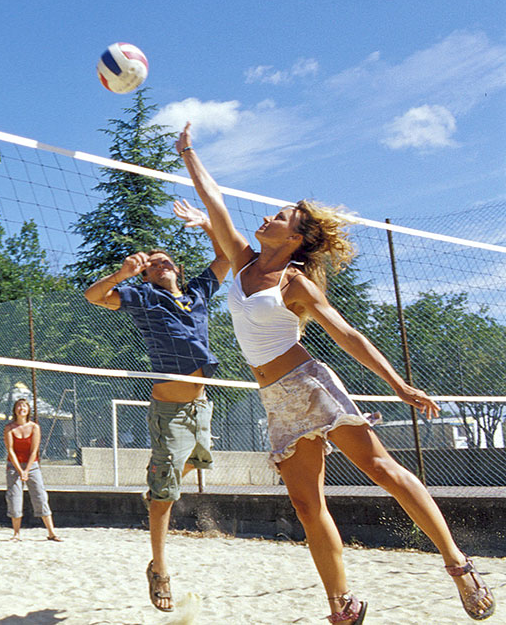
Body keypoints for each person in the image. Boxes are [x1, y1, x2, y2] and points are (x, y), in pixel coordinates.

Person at [176, 122, 495, 623]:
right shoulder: (241, 261)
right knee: (306, 506)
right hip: (275, 400)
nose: (266, 217)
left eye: (279, 216)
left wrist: (398, 384)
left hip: (309, 385)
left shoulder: (295, 283)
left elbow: (348, 335)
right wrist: (188, 152)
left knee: (382, 470)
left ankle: (458, 564)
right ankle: (342, 605)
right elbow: (213, 198)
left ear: (295, 237)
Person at [83, 201, 229, 613]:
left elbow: (225, 258)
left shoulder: (197, 293)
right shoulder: (144, 296)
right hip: (170, 410)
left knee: (197, 464)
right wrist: (123, 273)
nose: (159, 264)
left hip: (201, 406)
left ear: (177, 269)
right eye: (152, 264)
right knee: (166, 494)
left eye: (165, 260)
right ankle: (160, 569)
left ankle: (156, 487)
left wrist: (207, 224)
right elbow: (94, 296)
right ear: (146, 275)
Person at [4, 397, 60, 542]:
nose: (21, 408)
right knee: (14, 498)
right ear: (14, 410)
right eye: (19, 406)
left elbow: (34, 451)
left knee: (40, 496)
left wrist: (27, 470)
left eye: (24, 406)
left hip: (32, 466)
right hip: (14, 466)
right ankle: (16, 534)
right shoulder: (9, 428)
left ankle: (51, 533)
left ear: (28, 410)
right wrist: (20, 470)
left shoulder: (35, 427)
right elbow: (10, 451)